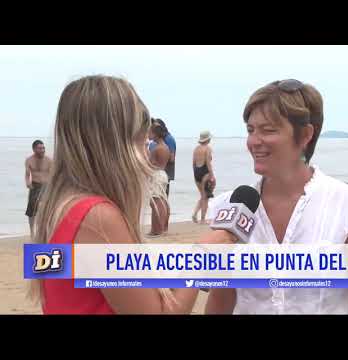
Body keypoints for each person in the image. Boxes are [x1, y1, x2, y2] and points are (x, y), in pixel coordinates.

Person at [27, 75, 235, 314]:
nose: (146, 155)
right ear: (114, 144)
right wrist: (201, 257)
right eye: (140, 142)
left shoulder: (59, 206)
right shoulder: (97, 217)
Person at [205, 79, 348, 314]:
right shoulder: (230, 208)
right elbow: (220, 301)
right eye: (250, 130)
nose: (254, 141)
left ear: (305, 135)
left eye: (268, 130)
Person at [25, 140, 52, 240]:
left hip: (46, 186)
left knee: (46, 209)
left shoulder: (49, 160)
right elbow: (27, 175)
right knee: (31, 210)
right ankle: (32, 231)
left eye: (43, 148)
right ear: (34, 149)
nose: (42, 150)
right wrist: (27, 182)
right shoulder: (29, 160)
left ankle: (45, 230)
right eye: (40, 148)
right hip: (35, 186)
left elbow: (53, 175)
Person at [147, 125, 170, 236]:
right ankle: (162, 227)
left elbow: (150, 164)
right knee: (161, 201)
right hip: (162, 174)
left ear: (155, 134)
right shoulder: (165, 147)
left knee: (155, 202)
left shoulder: (157, 148)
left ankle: (156, 229)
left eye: (150, 132)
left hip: (157, 175)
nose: (148, 134)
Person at [192, 131, 215, 224]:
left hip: (196, 172)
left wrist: (196, 175)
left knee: (202, 195)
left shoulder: (196, 149)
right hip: (205, 172)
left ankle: (194, 213)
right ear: (208, 139)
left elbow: (193, 163)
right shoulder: (208, 149)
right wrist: (212, 175)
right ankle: (202, 220)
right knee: (205, 197)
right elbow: (208, 163)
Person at [151, 118, 176, 197]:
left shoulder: (169, 139)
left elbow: (172, 158)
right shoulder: (156, 143)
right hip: (160, 172)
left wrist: (159, 160)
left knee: (161, 196)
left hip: (163, 172)